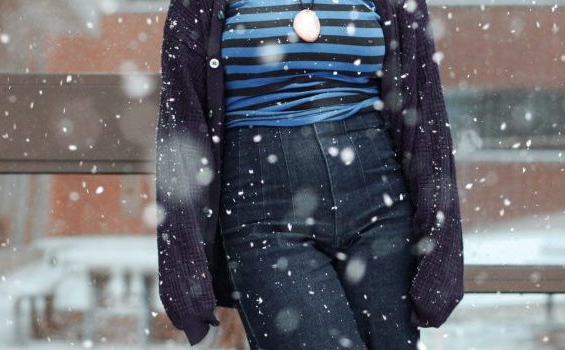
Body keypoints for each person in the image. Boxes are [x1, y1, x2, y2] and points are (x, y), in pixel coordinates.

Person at [156, 0, 465, 348]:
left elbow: (425, 110)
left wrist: (443, 239)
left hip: (380, 205)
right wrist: (182, 260)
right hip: (264, 214)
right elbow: (181, 123)